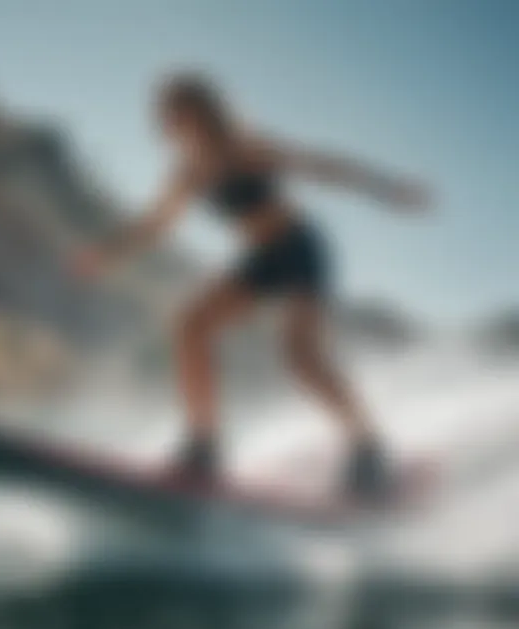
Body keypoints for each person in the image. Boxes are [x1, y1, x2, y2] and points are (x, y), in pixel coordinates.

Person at [73, 72, 431, 500]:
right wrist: (106, 254)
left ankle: (369, 447)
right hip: (261, 260)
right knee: (190, 326)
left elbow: (325, 167)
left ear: (195, 111)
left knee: (304, 360)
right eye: (161, 110)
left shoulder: (246, 148)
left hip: (300, 249)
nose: (160, 118)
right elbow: (154, 225)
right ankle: (204, 446)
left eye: (168, 108)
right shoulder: (188, 172)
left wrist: (389, 190)